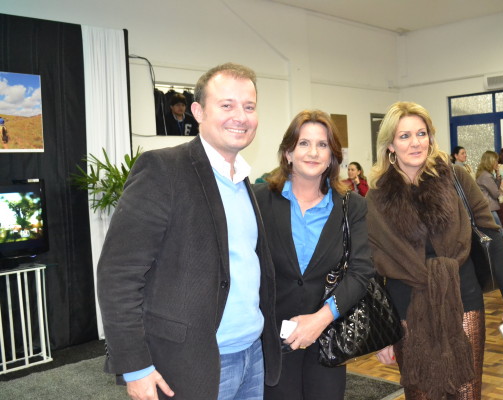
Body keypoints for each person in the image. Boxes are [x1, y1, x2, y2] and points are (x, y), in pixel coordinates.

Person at [97, 63, 281, 400]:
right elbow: (118, 274)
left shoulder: (244, 181)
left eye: (249, 106)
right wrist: (135, 367)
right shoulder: (163, 170)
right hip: (191, 363)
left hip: (252, 355)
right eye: (226, 105)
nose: (240, 116)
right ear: (198, 112)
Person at [367, 101, 503, 400]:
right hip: (406, 310)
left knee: (466, 392)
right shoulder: (377, 196)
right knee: (420, 393)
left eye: (421, 133)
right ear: (390, 145)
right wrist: (381, 332)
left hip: (463, 298)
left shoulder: (455, 178)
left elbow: (491, 239)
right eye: (404, 136)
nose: (416, 142)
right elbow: (372, 267)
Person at [254, 110, 372, 400]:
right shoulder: (259, 200)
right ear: (288, 153)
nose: (313, 152)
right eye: (304, 143)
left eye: (322, 145)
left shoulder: (352, 206)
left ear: (332, 156)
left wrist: (320, 319)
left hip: (328, 337)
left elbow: (361, 272)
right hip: (271, 341)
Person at [476, 150, 503, 235]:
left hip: (487, 207)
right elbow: (496, 194)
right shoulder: (486, 176)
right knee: (499, 232)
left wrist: (498, 176)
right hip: (490, 208)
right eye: (496, 161)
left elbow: (494, 188)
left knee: (495, 233)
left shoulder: (484, 174)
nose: (497, 163)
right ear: (490, 161)